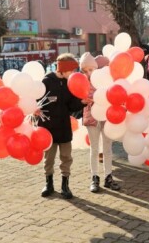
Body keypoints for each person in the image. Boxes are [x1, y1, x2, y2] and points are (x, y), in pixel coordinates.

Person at [39, 53, 88, 199]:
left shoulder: (70, 83)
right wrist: (34, 109)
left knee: (66, 157)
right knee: (49, 158)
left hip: (64, 126)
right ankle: (49, 183)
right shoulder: (46, 81)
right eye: (72, 70)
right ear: (63, 69)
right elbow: (35, 100)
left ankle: (65, 185)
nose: (74, 74)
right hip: (47, 127)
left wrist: (82, 102)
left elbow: (72, 106)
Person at [80, 53, 121, 193]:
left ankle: (108, 177)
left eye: (90, 69)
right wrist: (83, 101)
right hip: (91, 117)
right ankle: (94, 177)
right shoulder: (81, 82)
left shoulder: (104, 78)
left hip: (106, 116)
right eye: (84, 70)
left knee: (108, 147)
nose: (88, 73)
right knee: (94, 148)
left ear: (95, 68)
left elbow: (112, 95)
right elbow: (77, 98)